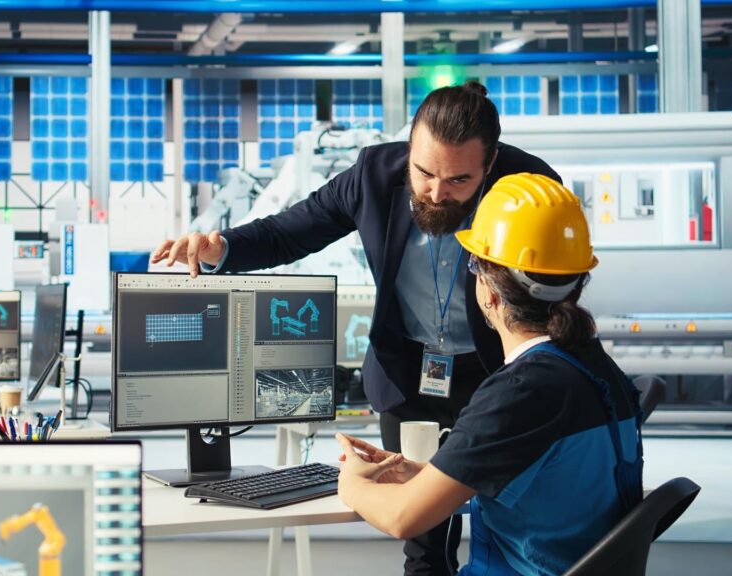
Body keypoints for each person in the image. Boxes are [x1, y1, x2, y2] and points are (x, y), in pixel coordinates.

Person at [153, 81, 560, 574]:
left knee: (508, 525)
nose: (436, 191)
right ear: (408, 148)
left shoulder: (529, 184)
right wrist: (223, 250)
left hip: (495, 376)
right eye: (425, 172)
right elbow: (289, 232)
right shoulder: (373, 175)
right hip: (409, 378)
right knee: (423, 542)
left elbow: (554, 289)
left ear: (489, 164)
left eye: (458, 181)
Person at [335, 173, 644, 576]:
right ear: (576, 284)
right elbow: (549, 476)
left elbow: (401, 519)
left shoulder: (518, 392)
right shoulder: (596, 366)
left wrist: (351, 482)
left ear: (490, 292)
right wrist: (431, 474)